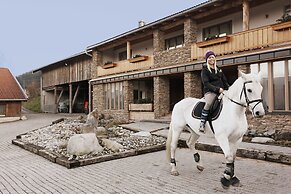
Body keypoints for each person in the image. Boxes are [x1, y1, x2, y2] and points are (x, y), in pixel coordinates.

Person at [199, 51, 229, 133]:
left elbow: (224, 80)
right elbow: (206, 83)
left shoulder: (219, 69)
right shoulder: (205, 70)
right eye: (209, 57)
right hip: (210, 91)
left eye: (212, 57)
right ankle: (202, 122)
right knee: (208, 103)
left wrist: (228, 89)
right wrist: (217, 89)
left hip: (221, 91)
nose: (211, 59)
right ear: (207, 59)